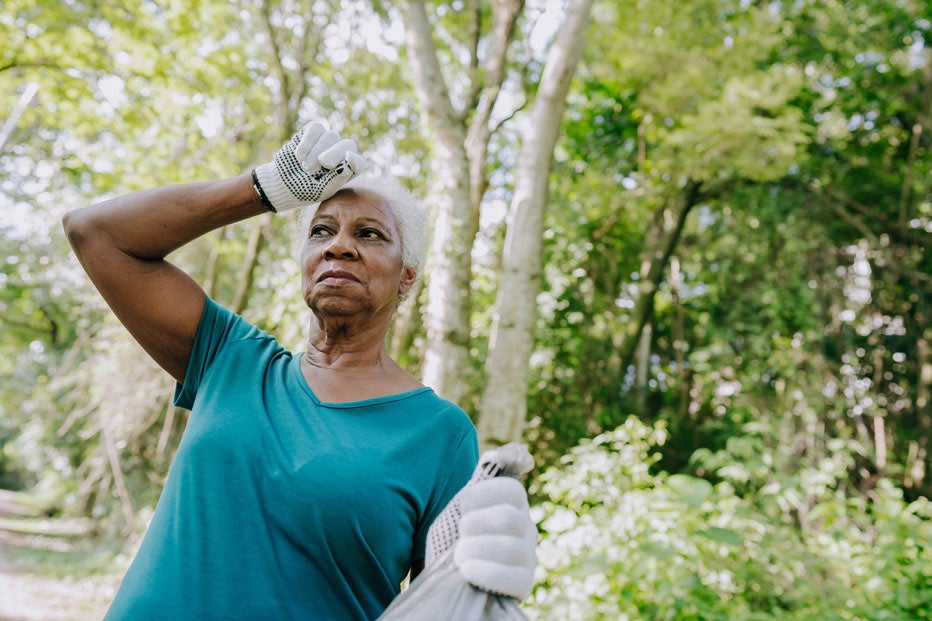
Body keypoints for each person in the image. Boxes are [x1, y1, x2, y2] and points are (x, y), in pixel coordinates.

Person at [63, 121, 537, 620]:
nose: (339, 246)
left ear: (407, 277)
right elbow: (94, 233)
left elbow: (443, 607)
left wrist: (485, 593)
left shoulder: (440, 434)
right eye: (322, 231)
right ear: (305, 262)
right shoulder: (231, 357)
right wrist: (265, 189)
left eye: (370, 234)